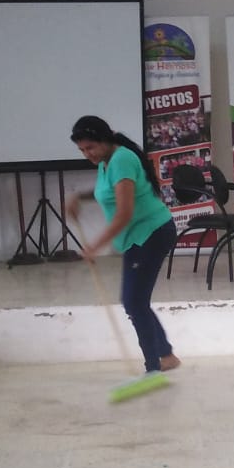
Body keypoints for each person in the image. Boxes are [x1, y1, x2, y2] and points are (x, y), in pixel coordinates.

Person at [64, 115, 180, 374]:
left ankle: (154, 367)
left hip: (151, 233)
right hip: (137, 236)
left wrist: (95, 246)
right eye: (82, 150)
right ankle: (166, 355)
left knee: (134, 302)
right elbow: (109, 192)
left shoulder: (122, 160)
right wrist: (79, 197)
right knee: (135, 301)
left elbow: (124, 213)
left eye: (90, 147)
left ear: (105, 140)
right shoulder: (107, 162)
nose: (87, 154)